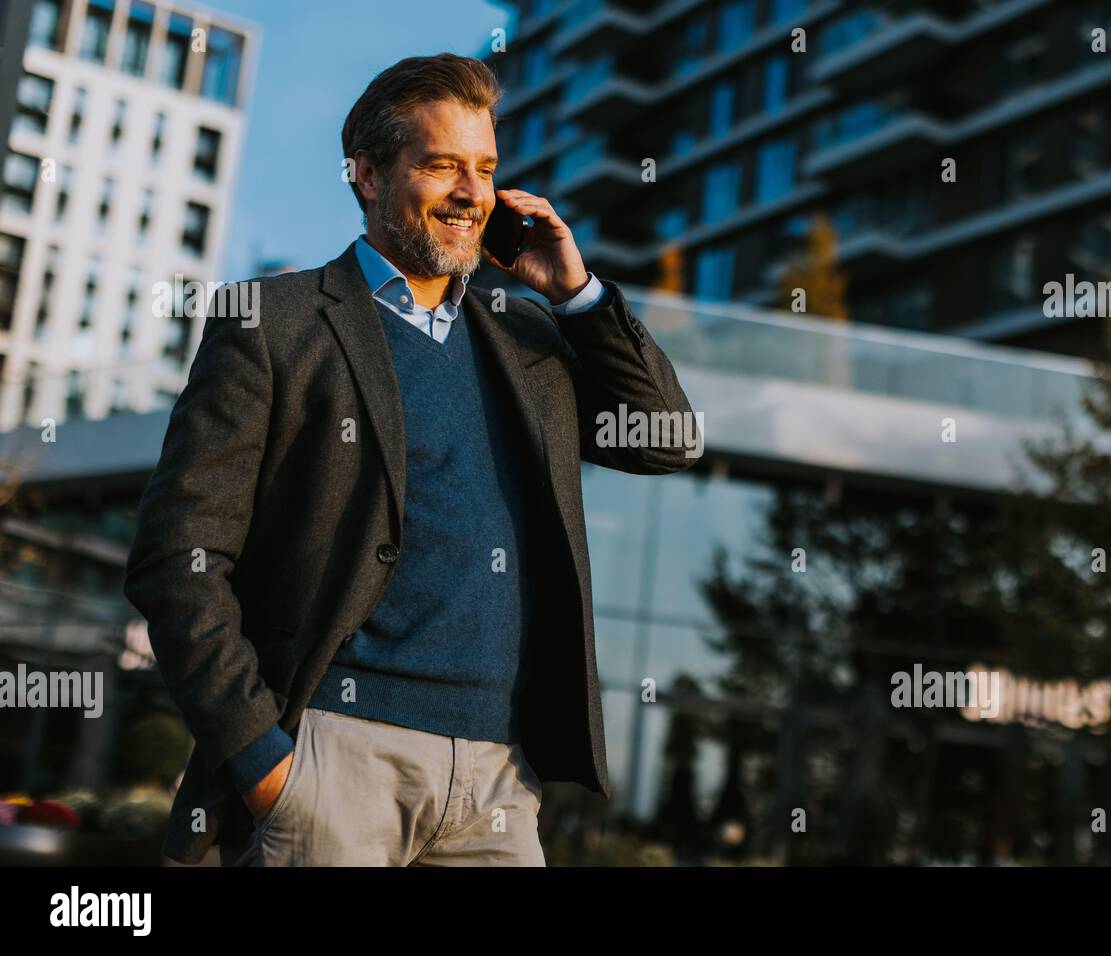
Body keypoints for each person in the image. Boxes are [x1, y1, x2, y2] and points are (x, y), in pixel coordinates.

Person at [123, 53, 698, 866]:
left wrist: (578, 296)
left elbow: (667, 439)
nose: (472, 193)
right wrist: (263, 761)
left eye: (486, 169)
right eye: (441, 166)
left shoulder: (530, 338)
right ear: (364, 173)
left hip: (500, 784)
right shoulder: (276, 323)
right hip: (333, 761)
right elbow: (176, 559)